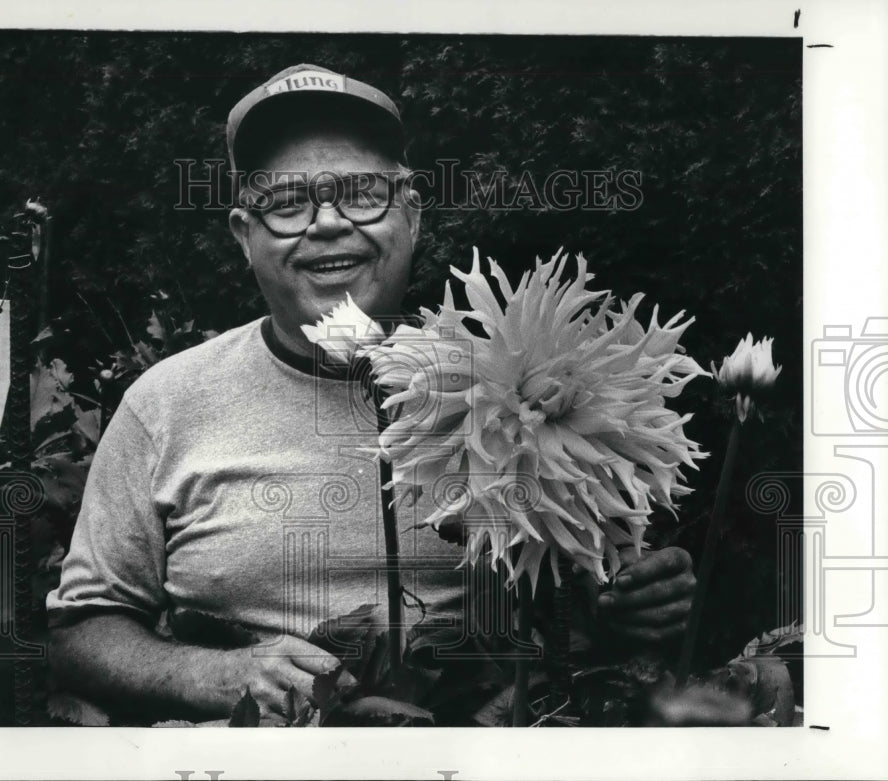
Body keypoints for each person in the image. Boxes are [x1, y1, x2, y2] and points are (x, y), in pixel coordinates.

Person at [47, 63, 697, 725]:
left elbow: (580, 617)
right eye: (287, 202)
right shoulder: (166, 402)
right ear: (244, 233)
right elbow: (77, 631)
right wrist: (217, 673)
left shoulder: (521, 383)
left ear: (411, 213)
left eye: (362, 193)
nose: (328, 223)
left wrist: (629, 606)